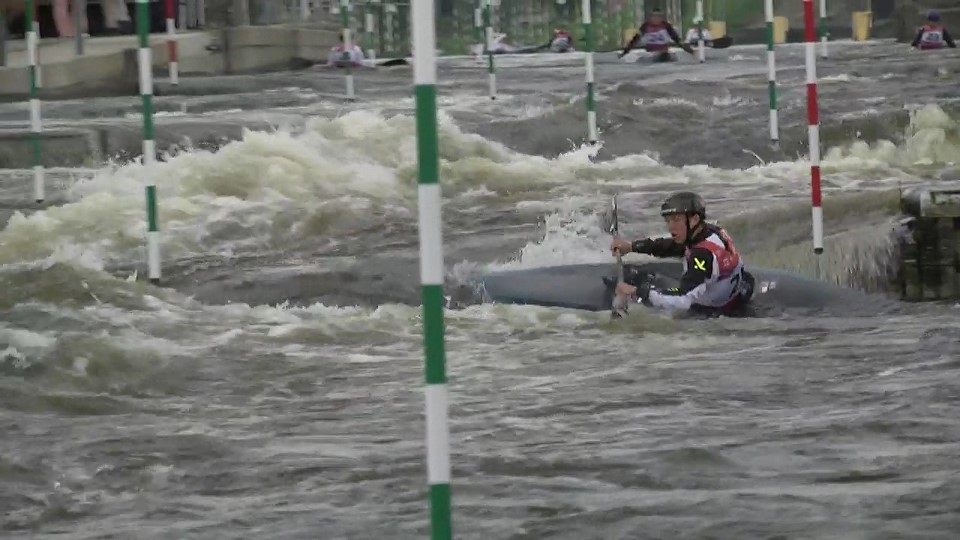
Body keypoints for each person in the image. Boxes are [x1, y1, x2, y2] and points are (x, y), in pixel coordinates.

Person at [609, 192, 755, 317]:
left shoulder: (701, 255)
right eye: (668, 220)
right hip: (742, 290)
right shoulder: (710, 232)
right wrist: (632, 246)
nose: (670, 226)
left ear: (695, 219)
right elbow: (673, 246)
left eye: (676, 219)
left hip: (719, 311)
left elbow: (683, 298)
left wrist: (637, 292)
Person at [618, 9, 694, 61]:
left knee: (667, 57)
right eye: (654, 16)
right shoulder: (645, 26)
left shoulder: (666, 26)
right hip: (650, 53)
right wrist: (624, 52)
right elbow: (635, 40)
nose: (656, 19)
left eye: (658, 17)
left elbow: (677, 39)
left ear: (662, 18)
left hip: (664, 52)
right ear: (650, 18)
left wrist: (689, 51)